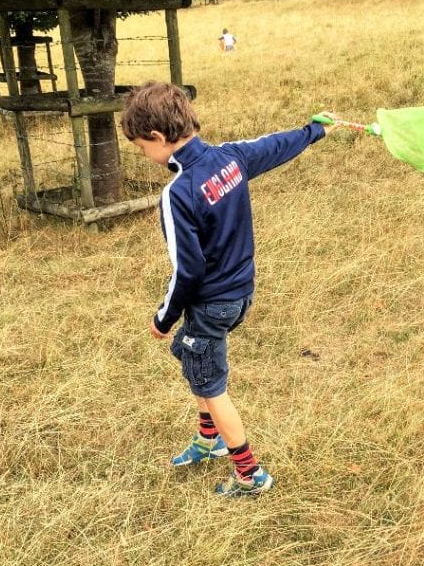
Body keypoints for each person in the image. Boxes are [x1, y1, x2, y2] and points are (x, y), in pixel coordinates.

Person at [120, 81, 336, 497]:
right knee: (190, 352)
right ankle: (208, 440)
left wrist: (163, 317)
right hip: (240, 295)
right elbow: (273, 146)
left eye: (140, 147)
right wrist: (313, 130)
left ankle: (250, 474)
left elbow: (188, 270)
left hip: (211, 303)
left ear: (158, 138)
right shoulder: (229, 157)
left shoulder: (178, 193)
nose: (143, 155)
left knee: (211, 386)